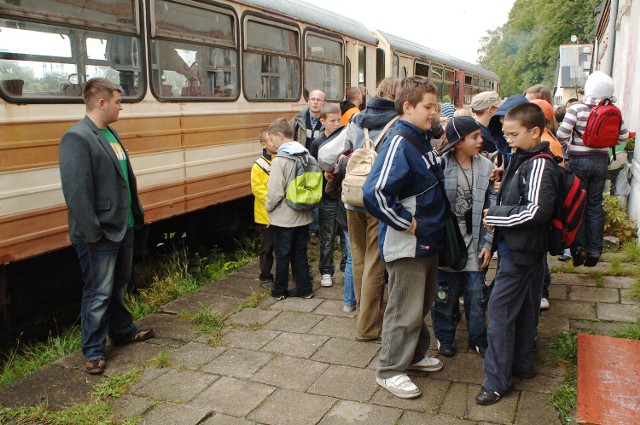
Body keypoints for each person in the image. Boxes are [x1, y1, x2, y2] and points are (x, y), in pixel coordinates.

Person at [59, 78, 154, 375]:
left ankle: (123, 331)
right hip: (100, 233)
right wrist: (93, 233)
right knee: (97, 293)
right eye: (117, 101)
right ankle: (94, 352)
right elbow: (76, 192)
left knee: (117, 287)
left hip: (122, 227)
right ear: (102, 103)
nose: (121, 106)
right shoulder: (77, 137)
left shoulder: (109, 133)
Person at [363, 76, 446, 399]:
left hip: (425, 240)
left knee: (420, 304)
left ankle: (412, 356)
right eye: (428, 106)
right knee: (404, 308)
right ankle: (390, 370)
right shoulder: (400, 141)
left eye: (434, 106)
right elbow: (375, 193)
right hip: (408, 243)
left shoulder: (420, 136)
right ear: (407, 107)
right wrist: (405, 222)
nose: (434, 112)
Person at [476, 102, 559, 405]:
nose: (507, 139)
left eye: (513, 134)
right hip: (527, 250)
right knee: (526, 308)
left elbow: (536, 210)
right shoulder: (525, 157)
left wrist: (495, 215)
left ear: (535, 132)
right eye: (506, 134)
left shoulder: (539, 164)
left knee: (499, 314)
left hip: (521, 250)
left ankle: (496, 381)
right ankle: (522, 364)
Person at [318, 77, 400, 343]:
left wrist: (339, 167)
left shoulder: (356, 120)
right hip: (379, 200)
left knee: (359, 257)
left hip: (353, 198)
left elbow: (325, 156)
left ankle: (361, 316)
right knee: (376, 262)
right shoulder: (398, 123)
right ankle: (367, 328)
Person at [432, 116, 495, 359]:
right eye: (475, 137)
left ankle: (478, 338)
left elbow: (492, 207)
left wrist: (489, 243)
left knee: (475, 294)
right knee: (445, 294)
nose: (481, 140)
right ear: (458, 142)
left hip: (476, 241)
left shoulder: (487, 167)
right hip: (448, 242)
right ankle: (444, 336)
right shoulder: (441, 166)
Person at [556, 71, 628, 267]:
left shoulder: (576, 108)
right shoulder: (614, 111)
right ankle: (595, 251)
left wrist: (569, 146)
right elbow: (622, 138)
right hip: (601, 162)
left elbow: (561, 134)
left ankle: (578, 249)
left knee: (577, 204)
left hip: (578, 161)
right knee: (595, 205)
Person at [265, 118, 314, 300]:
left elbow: (275, 192)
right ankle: (305, 289)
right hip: (304, 214)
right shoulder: (307, 155)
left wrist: (268, 207)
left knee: (283, 254)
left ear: (280, 135)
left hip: (284, 217)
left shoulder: (281, 160)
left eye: (272, 139)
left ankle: (279, 291)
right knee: (300, 253)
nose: (272, 143)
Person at [530, 98, 564, 311]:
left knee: (539, 254)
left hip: (545, 207)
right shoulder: (551, 137)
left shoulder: (545, 144)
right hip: (550, 204)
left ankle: (542, 291)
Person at [310, 103, 344, 288]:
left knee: (346, 237)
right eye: (333, 120)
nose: (337, 123)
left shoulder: (346, 139)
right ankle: (326, 270)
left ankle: (346, 268)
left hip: (344, 195)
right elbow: (314, 171)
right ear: (323, 121)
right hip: (327, 196)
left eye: (339, 119)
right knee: (327, 235)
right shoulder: (317, 143)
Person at [291, 89, 326, 236]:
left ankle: (316, 230)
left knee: (318, 198)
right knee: (304, 196)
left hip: (320, 166)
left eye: (318, 100)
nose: (315, 102)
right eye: (313, 99)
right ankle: (307, 230)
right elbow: (289, 138)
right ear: (308, 101)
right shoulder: (298, 120)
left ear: (324, 103)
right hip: (302, 165)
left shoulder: (327, 120)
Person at [251, 129, 277, 289]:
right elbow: (257, 189)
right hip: (265, 215)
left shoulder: (281, 160)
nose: (274, 144)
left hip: (281, 212)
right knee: (267, 248)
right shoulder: (258, 165)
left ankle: (281, 275)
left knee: (282, 247)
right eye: (271, 141)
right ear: (263, 144)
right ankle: (265, 276)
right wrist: (275, 198)